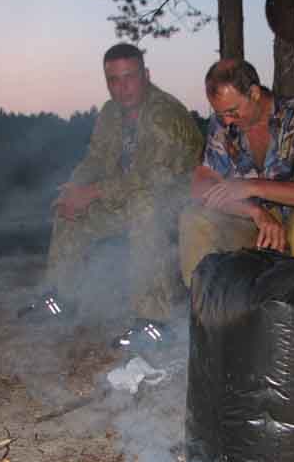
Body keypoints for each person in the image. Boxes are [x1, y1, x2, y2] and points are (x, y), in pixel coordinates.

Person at [40, 43, 203, 344]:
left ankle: (154, 322)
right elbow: (96, 159)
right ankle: (60, 299)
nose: (122, 88)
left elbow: (152, 178)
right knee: (71, 206)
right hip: (129, 196)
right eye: (113, 80)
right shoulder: (110, 112)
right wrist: (74, 189)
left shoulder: (164, 114)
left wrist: (92, 192)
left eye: (129, 77)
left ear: (146, 75)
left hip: (180, 202)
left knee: (144, 206)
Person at [179, 58, 294, 287]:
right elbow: (200, 186)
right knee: (194, 218)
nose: (226, 120)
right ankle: (208, 311)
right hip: (247, 222)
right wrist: (254, 211)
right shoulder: (222, 123)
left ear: (253, 93)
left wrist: (253, 187)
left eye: (232, 111)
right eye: (220, 113)